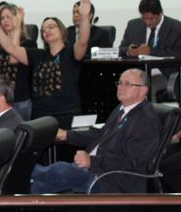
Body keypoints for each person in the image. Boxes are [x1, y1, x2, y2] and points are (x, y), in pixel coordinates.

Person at [30, 69, 161, 194]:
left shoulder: (146, 120)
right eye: (120, 83)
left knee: (57, 171)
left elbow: (132, 161)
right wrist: (67, 134)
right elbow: (100, 134)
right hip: (95, 170)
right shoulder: (122, 108)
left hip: (111, 179)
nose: (121, 87)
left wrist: (93, 161)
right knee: (42, 181)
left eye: (128, 84)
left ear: (143, 90)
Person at [0, 0, 92, 129]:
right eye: (44, 30)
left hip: (67, 114)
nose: (47, 30)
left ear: (61, 31)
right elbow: (11, 48)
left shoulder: (71, 52)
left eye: (51, 27)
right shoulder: (37, 55)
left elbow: (83, 41)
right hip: (40, 117)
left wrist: (85, 18)